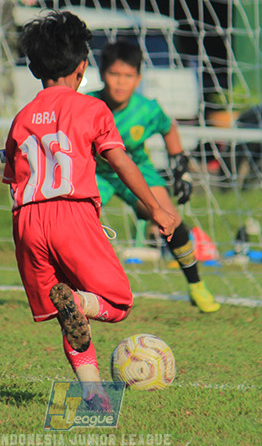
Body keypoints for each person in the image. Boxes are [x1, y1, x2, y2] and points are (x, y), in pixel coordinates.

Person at [2, 10, 180, 410]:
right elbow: (119, 161)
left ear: (33, 67)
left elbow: (14, 176)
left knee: (67, 314)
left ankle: (94, 396)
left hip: (27, 221)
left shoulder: (21, 119)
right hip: (72, 216)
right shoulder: (92, 109)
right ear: (83, 68)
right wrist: (156, 208)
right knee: (116, 302)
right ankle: (80, 303)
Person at [90, 40, 220, 313]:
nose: (120, 83)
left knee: (169, 218)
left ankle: (196, 285)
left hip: (137, 170)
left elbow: (169, 128)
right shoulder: (88, 105)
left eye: (128, 76)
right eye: (114, 74)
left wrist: (180, 168)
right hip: (96, 172)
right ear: (102, 74)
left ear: (138, 78)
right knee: (80, 225)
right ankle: (87, 290)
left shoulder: (146, 109)